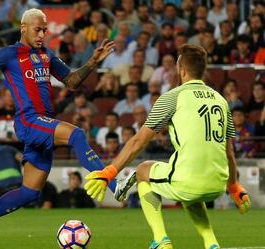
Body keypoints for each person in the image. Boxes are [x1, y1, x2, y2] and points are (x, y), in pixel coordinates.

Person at [0, 8, 115, 249]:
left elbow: (71, 81)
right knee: (77, 134)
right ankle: (113, 184)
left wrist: (92, 62)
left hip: (42, 124)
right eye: (37, 30)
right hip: (29, 121)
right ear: (23, 28)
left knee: (30, 192)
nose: (42, 35)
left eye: (45, 30)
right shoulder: (8, 54)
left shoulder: (47, 55)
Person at [84, 44, 251, 249]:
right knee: (190, 192)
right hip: (218, 184)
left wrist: (109, 172)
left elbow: (138, 141)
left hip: (189, 180)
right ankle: (211, 243)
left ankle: (161, 239)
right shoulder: (221, 100)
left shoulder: (172, 97)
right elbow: (229, 152)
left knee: (143, 170)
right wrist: (234, 187)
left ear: (181, 70)